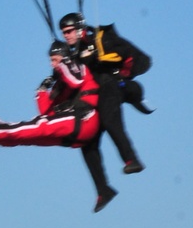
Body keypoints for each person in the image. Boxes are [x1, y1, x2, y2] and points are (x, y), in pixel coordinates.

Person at [0, 42, 118, 213]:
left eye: (54, 60)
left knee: (38, 126)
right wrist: (41, 90)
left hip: (85, 118)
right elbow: (46, 111)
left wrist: (62, 66)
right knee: (33, 137)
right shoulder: (62, 80)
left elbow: (76, 81)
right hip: (73, 133)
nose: (51, 64)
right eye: (51, 61)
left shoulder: (75, 66)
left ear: (63, 57)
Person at [58, 13, 151, 176]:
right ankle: (103, 190)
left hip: (110, 87)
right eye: (64, 32)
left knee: (111, 121)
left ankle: (132, 160)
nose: (66, 35)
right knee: (86, 140)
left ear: (79, 30)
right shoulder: (74, 54)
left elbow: (132, 56)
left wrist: (99, 58)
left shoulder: (100, 40)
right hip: (93, 95)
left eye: (69, 31)